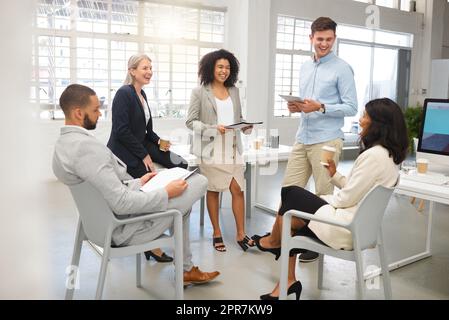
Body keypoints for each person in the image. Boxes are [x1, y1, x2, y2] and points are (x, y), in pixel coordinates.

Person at [53, 84, 220, 286]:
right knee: (199, 181)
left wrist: (139, 182)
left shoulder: (63, 145)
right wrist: (166, 193)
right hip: (121, 229)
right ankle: (185, 269)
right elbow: (122, 203)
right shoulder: (86, 149)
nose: (99, 114)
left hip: (96, 225)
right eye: (95, 110)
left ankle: (186, 270)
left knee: (180, 206)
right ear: (78, 113)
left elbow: (106, 189)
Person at [252, 98, 408, 300]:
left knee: (290, 193)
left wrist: (320, 201)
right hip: (362, 227)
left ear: (378, 124)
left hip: (346, 228)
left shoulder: (373, 156)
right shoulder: (388, 156)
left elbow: (344, 199)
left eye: (365, 116)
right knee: (289, 218)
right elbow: (356, 189)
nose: (360, 120)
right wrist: (334, 175)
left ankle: (274, 244)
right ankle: (287, 280)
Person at [283, 17, 358, 262]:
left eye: (328, 39)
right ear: (311, 38)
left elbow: (351, 107)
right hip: (302, 137)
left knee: (323, 195)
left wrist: (321, 107)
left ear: (334, 39)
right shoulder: (305, 66)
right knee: (289, 190)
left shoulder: (343, 68)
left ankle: (316, 243)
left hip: (327, 140)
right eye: (319, 39)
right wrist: (298, 107)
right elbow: (308, 103)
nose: (324, 44)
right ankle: (283, 235)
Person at [107, 54, 188, 263]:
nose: (149, 71)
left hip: (141, 144)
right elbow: (121, 130)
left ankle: (177, 194)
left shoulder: (142, 94)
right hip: (124, 149)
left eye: (151, 68)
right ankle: (151, 244)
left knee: (181, 163)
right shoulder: (123, 94)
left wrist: (161, 142)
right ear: (132, 71)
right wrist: (143, 155)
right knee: (149, 180)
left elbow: (146, 130)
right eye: (145, 68)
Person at [186, 49, 254, 253]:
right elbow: (190, 122)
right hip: (211, 149)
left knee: (237, 189)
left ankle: (241, 233)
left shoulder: (233, 90)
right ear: (211, 68)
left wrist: (245, 125)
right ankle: (216, 232)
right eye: (220, 67)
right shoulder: (199, 92)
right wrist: (213, 129)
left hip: (232, 147)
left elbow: (238, 117)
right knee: (214, 190)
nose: (224, 71)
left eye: (227, 67)